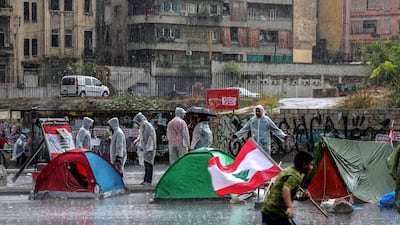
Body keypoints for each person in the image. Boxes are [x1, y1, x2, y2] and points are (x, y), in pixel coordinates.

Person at [261, 150, 314, 225]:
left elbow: (287, 193)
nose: (312, 168)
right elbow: (285, 189)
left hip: (267, 210)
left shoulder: (288, 170)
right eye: (311, 165)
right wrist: (290, 207)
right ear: (304, 165)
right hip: (277, 213)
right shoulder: (296, 176)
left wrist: (301, 198)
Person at [133, 112, 157, 185]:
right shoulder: (143, 126)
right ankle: (145, 180)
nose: (138, 123)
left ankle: (148, 180)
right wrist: (136, 141)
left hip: (149, 148)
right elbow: (141, 136)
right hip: (145, 148)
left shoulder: (148, 126)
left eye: (138, 122)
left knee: (149, 164)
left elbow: (151, 138)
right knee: (146, 164)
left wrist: (148, 148)